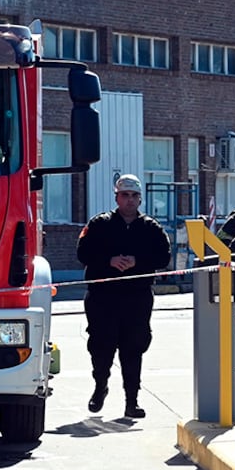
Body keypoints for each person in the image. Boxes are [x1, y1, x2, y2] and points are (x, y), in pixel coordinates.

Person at [77, 173, 171, 418]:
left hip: (136, 297)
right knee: (101, 346)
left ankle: (132, 401)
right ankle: (100, 386)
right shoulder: (100, 224)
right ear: (117, 197)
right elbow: (83, 253)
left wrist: (137, 262)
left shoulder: (151, 228)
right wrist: (109, 260)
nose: (129, 200)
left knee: (134, 347)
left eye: (134, 195)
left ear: (140, 199)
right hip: (103, 298)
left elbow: (164, 257)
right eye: (125, 195)